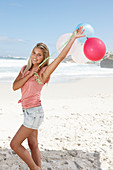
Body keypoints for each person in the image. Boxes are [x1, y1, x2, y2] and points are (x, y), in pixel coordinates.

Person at [10, 26, 85, 170]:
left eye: (39, 55)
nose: (35, 57)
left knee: (14, 144)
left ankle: (35, 168)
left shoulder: (44, 72)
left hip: (34, 113)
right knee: (33, 145)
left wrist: (73, 39)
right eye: (34, 53)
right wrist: (30, 74)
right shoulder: (25, 69)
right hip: (27, 112)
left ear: (44, 58)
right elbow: (15, 86)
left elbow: (61, 57)